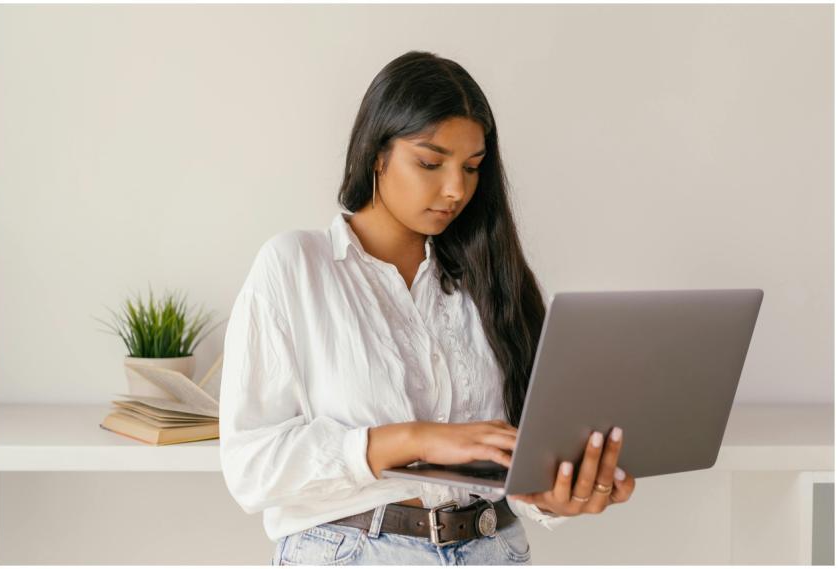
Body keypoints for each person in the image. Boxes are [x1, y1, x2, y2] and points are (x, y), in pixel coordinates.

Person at [219, 50, 636, 566]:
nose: (456, 189)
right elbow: (251, 467)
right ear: (376, 153)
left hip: (494, 546)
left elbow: (519, 453)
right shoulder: (296, 266)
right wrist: (416, 439)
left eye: (472, 167)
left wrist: (556, 494)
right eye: (430, 162)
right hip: (355, 552)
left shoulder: (492, 280)